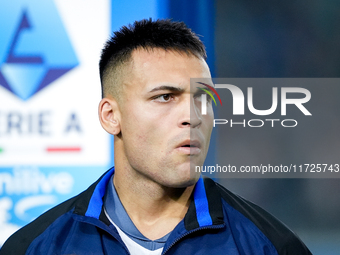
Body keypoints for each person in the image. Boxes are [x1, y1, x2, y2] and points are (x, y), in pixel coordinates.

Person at [0, 19, 311, 255]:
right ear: (111, 116)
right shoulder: (34, 247)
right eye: (165, 97)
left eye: (204, 98)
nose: (193, 115)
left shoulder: (270, 245)